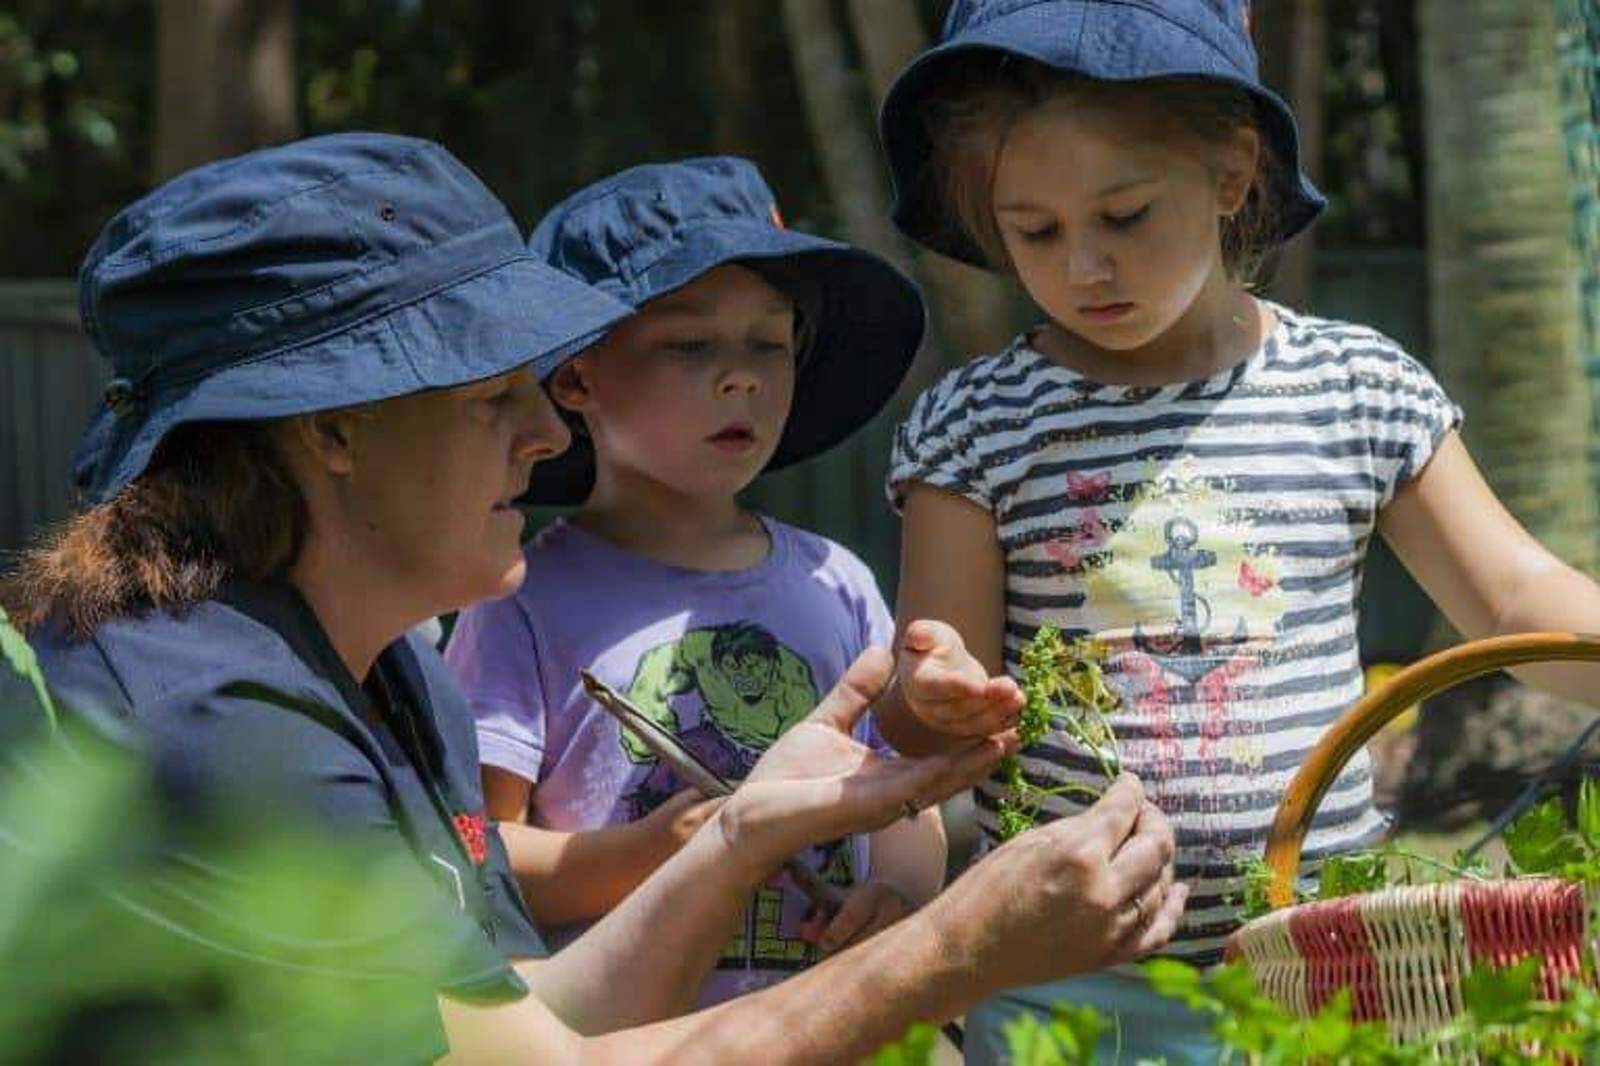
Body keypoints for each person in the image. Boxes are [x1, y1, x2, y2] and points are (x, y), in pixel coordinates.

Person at [3, 132, 1186, 1063]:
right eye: (493, 398)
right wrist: (955, 949)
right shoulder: (216, 717)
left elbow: (524, 1013)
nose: (543, 431)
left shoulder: (388, 671)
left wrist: (745, 833)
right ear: (333, 429)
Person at [865, 0, 1600, 1062]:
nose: (1084, 267)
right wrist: (932, 694)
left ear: (1231, 171)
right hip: (1066, 985)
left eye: (1124, 216)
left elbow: (1513, 598)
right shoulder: (978, 424)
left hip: (1331, 964)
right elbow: (928, 712)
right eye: (1035, 232)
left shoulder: (1354, 387)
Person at [444, 156, 941, 1005]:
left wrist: (896, 895)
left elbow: (903, 797)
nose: (742, 376)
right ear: (577, 378)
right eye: (690, 344)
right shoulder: (519, 596)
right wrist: (656, 853)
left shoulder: (839, 582)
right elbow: (477, 851)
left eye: (769, 344)